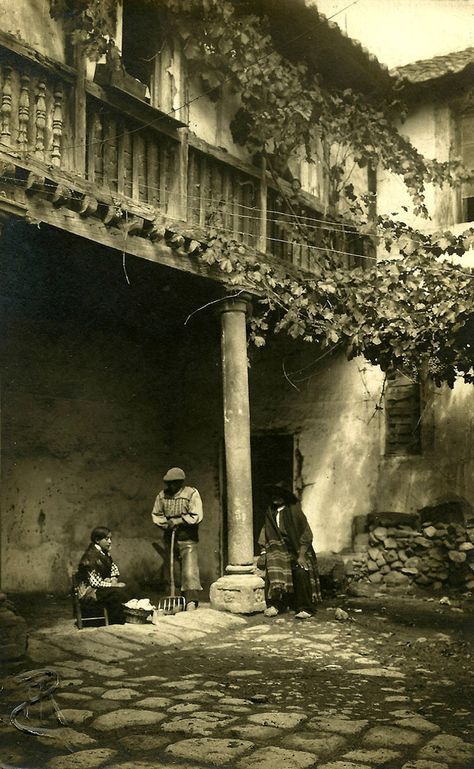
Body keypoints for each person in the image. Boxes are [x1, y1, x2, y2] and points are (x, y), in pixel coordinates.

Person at [257, 482, 321, 619]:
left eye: (280, 494)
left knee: (300, 572)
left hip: (298, 550)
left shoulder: (294, 510)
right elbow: (265, 532)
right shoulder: (270, 512)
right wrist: (263, 551)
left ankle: (305, 607)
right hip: (280, 549)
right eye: (274, 494)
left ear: (285, 496)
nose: (276, 497)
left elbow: (307, 533)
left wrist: (302, 555)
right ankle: (275, 605)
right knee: (273, 566)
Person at [151, 467, 203, 610]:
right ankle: (175, 600)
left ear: (181, 482)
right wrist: (166, 523)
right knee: (172, 570)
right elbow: (156, 514)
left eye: (174, 483)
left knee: (189, 571)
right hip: (170, 537)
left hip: (188, 538)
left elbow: (196, 515)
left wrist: (179, 521)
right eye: (169, 483)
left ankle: (191, 600)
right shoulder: (162, 496)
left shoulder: (191, 494)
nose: (171, 486)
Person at [76, 526, 127, 624]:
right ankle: (115, 621)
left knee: (132, 586)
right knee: (117, 593)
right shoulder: (90, 556)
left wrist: (113, 579)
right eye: (107, 539)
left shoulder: (105, 553)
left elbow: (113, 568)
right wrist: (113, 585)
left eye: (110, 538)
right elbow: (95, 583)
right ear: (97, 540)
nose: (110, 541)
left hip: (101, 587)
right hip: (90, 592)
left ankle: (121, 617)